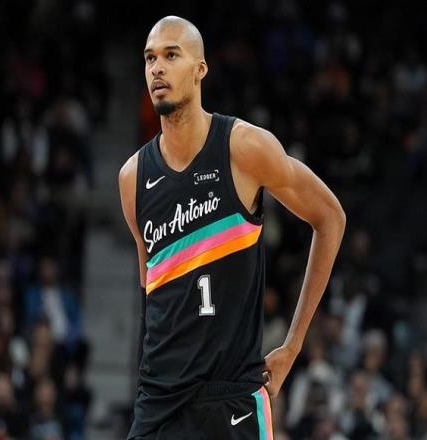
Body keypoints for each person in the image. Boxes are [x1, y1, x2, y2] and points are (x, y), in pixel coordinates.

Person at [118, 15, 346, 440]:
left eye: (171, 55)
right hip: (159, 404)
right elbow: (150, 291)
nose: (157, 68)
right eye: (150, 58)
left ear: (200, 69)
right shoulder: (132, 178)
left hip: (232, 398)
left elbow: (330, 217)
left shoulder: (244, 147)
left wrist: (293, 345)